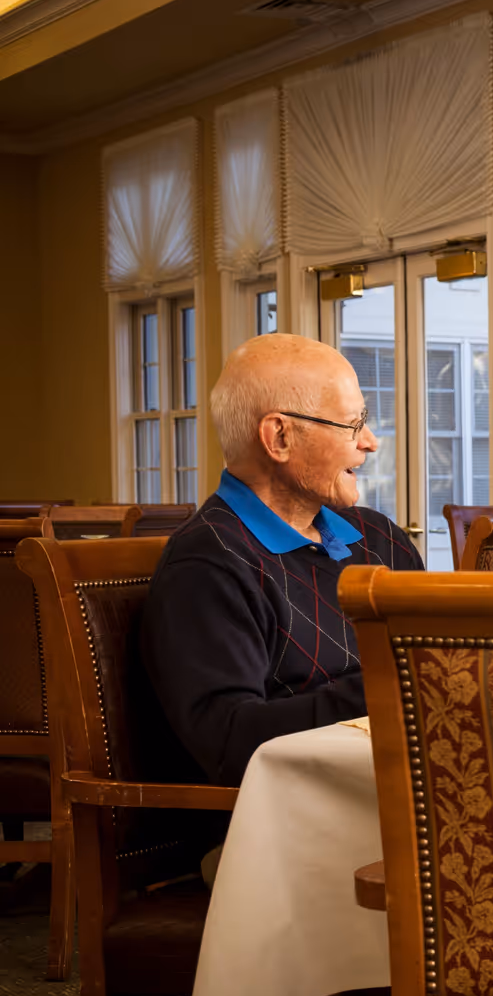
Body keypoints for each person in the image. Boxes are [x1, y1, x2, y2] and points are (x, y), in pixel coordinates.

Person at [143, 334, 422, 793]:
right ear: (280, 437)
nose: (370, 443)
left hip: (397, 785)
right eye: (353, 424)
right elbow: (230, 744)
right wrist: (391, 688)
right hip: (283, 823)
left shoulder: (380, 538)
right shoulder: (207, 563)